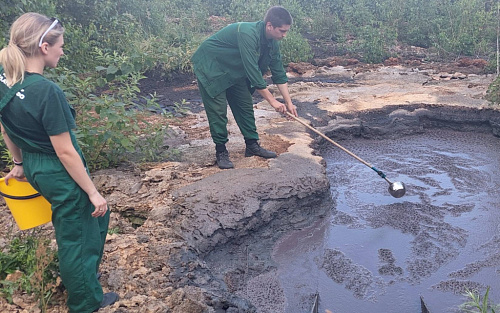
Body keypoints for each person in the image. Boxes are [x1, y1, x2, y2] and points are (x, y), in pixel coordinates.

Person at [0, 13, 118, 312]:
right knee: (78, 231)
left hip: (35, 164)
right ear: (44, 47)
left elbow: (5, 126)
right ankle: (85, 302)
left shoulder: (4, 78)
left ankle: (82, 275)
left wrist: (19, 162)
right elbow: (66, 151)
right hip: (58, 168)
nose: (62, 51)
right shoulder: (46, 92)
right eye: (60, 45)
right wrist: (92, 192)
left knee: (89, 222)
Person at [191, 5, 298, 169]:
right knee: (218, 111)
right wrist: (273, 102)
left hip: (234, 70)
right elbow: (252, 71)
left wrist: (288, 102)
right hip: (212, 66)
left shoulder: (272, 41)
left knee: (245, 105)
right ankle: (221, 151)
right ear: (269, 25)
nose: (284, 35)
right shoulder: (247, 32)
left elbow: (278, 71)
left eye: (286, 31)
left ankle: (252, 146)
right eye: (282, 31)